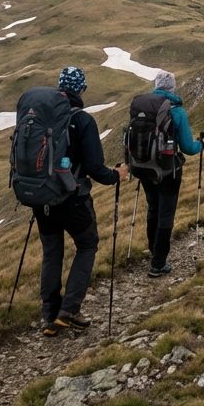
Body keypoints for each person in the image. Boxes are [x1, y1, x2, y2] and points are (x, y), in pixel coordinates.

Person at [37, 67, 128, 337]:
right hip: (72, 199)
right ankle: (69, 309)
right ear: (81, 90)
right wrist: (116, 175)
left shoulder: (41, 116)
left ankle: (49, 314)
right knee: (87, 246)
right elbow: (94, 167)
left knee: (52, 253)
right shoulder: (82, 121)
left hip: (42, 199)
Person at [136, 70, 204, 278]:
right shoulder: (177, 112)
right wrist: (201, 145)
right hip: (168, 170)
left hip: (144, 168)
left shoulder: (142, 107)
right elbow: (187, 147)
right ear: (173, 88)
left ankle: (153, 249)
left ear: (156, 85)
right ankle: (158, 263)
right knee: (166, 214)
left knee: (153, 209)